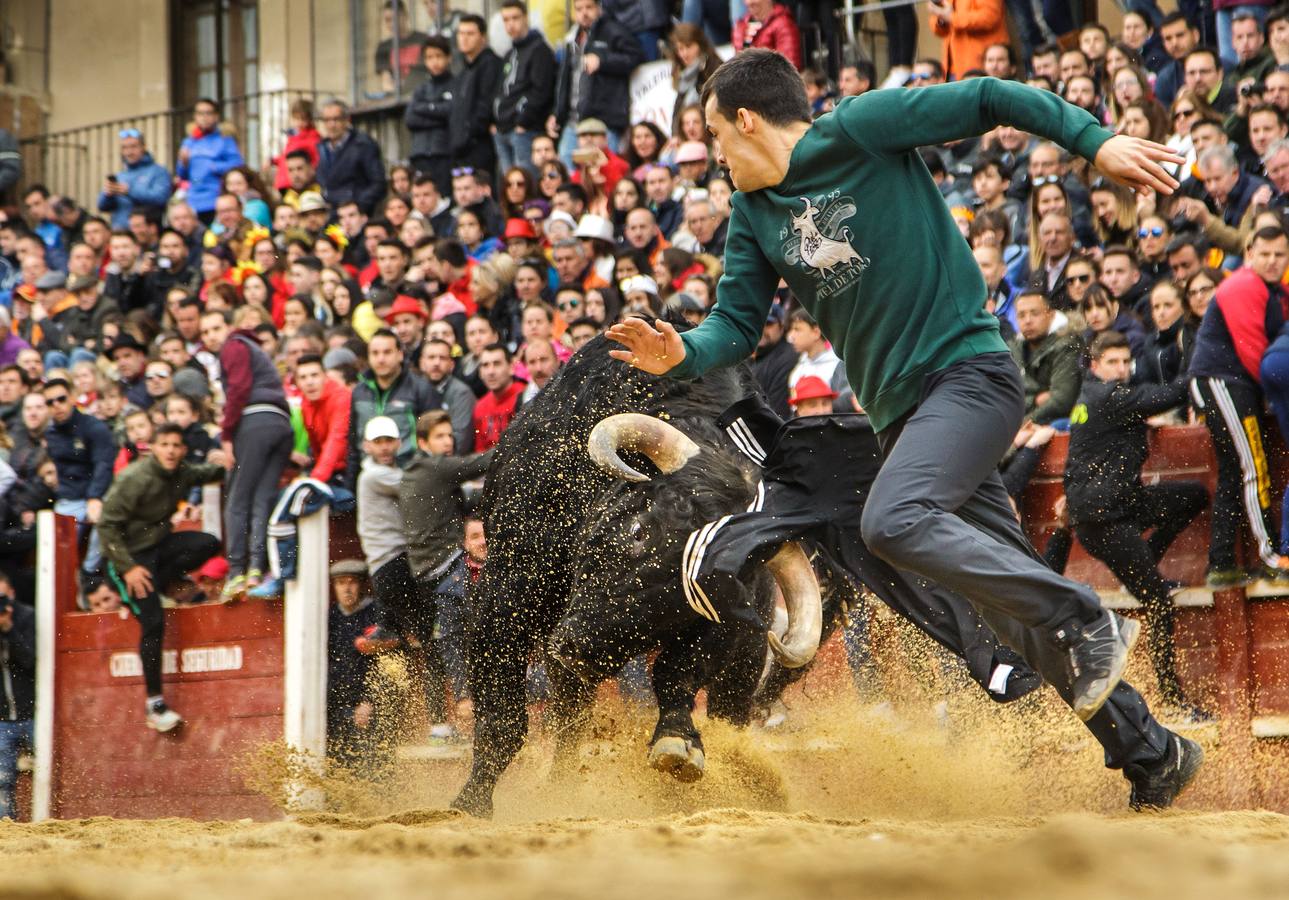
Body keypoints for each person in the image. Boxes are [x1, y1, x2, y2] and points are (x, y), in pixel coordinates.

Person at [607, 51, 1203, 808]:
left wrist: (1093, 142)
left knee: (891, 521)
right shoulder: (752, 216)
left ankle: (1083, 613)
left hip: (970, 380)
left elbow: (989, 94)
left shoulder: (859, 128)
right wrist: (681, 351)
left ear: (746, 121)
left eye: (714, 136)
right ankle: (1154, 755)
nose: (714, 158)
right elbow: (732, 324)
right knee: (1004, 609)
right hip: (905, 424)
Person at [1065, 331, 1209, 713]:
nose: (1121, 369)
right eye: (1111, 362)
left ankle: (1148, 555)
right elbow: (1172, 394)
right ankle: (1173, 700)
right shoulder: (1109, 397)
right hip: (1106, 521)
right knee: (1158, 603)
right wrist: (1200, 356)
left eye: (1125, 362)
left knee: (1193, 495)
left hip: (1116, 506)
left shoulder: (1091, 399)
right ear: (1095, 366)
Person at [100, 424, 225, 732]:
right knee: (154, 622)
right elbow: (106, 526)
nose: (170, 450)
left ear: (183, 450)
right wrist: (127, 567)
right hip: (126, 560)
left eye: (176, 445)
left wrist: (225, 460)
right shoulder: (134, 478)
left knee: (208, 543)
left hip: (157, 551)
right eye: (164, 444)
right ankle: (155, 703)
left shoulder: (181, 471)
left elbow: (210, 473)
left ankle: (165, 582)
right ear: (152, 447)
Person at [1189, 225, 1289, 585]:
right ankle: (1271, 557)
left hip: (1229, 383)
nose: (1272, 261)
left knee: (1235, 470)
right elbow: (1253, 355)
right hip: (1224, 381)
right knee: (1253, 467)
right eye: (1265, 254)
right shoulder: (1244, 285)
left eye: (1279, 254)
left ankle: (1221, 564)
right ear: (1249, 253)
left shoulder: (1271, 288)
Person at [400, 411, 495, 733]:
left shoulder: (416, 472)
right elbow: (482, 463)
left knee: (440, 647)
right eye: (439, 437)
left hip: (425, 572)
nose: (448, 442)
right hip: (448, 566)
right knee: (463, 636)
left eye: (449, 436)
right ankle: (468, 698)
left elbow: (465, 498)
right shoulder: (434, 466)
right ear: (423, 443)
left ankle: (445, 720)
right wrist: (521, 443)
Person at [201, 309, 294, 597]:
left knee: (237, 499)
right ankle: (256, 568)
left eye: (216, 327)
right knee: (261, 498)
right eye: (205, 332)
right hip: (281, 423)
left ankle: (236, 572)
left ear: (228, 326)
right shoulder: (252, 347)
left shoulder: (234, 345)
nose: (211, 335)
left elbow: (239, 388)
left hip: (255, 421)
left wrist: (227, 435)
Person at [345, 329, 443, 487]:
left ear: (400, 354)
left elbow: (435, 439)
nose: (381, 359)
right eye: (375, 353)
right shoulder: (359, 392)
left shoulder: (420, 389)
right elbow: (353, 442)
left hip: (409, 476)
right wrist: (350, 486)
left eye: (387, 352)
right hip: (368, 476)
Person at [551, 0, 643, 159]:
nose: (584, 13)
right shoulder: (572, 37)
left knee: (607, 168)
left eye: (589, 7)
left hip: (604, 121)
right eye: (579, 9)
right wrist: (557, 113)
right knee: (567, 167)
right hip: (574, 120)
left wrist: (603, 61)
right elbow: (564, 81)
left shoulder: (613, 30)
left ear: (599, 8)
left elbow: (636, 57)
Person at [42, 378, 114, 574]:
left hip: (98, 492)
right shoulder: (50, 433)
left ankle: (89, 572)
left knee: (105, 519)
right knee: (57, 541)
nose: (57, 405)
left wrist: (94, 496)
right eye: (50, 402)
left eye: (61, 399)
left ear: (72, 398)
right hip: (68, 497)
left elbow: (104, 464)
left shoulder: (94, 427)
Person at [325, 558, 386, 772]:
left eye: (352, 582)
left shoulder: (376, 613)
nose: (347, 588)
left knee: (372, 764)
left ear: (362, 585)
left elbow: (384, 665)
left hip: (366, 705)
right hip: (335, 705)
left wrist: (370, 700)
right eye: (341, 583)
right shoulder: (330, 617)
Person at [495, 0, 557, 175]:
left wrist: (523, 121)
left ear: (526, 18)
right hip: (503, 128)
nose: (510, 24)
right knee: (511, 185)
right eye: (506, 20)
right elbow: (502, 89)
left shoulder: (539, 49)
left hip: (524, 129)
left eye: (515, 18)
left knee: (526, 182)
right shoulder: (510, 53)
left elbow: (542, 90)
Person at [450, 14, 503, 178]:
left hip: (479, 144)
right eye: (461, 33)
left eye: (470, 34)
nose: (464, 38)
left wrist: (469, 135)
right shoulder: (463, 71)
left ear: (483, 37)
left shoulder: (490, 63)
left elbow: (485, 104)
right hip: (461, 147)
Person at [176, 99, 244, 223]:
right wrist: (183, 163)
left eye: (208, 113)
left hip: (215, 199)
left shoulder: (225, 139)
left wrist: (214, 166)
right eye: (200, 113)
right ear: (195, 117)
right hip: (193, 201)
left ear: (216, 116)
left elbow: (238, 165)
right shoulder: (189, 141)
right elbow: (182, 175)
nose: (204, 117)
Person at [317, 99, 387, 215]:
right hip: (331, 215)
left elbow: (378, 184)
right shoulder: (321, 147)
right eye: (327, 120)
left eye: (336, 119)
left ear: (347, 120)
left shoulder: (363, 145)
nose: (331, 125)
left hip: (356, 215)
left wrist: (357, 205)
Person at [0, 582, 34, 820]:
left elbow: (31, 661)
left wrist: (10, 630)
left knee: (50, 772)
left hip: (33, 714)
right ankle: (7, 827)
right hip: (2, 719)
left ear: (12, 593)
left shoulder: (27, 617)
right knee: (2, 781)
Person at [97, 129, 172, 230]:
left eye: (133, 146)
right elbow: (102, 206)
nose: (129, 152)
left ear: (143, 147)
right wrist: (107, 194)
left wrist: (129, 191)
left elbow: (160, 199)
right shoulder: (120, 176)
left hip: (146, 233)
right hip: (121, 233)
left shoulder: (158, 171)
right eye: (124, 148)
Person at [927, 0, 1008, 80]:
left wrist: (951, 17)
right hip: (952, 68)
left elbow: (988, 18)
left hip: (981, 66)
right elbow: (938, 30)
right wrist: (942, 18)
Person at [472, 342, 524, 450]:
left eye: (497, 364)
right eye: (485, 365)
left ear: (511, 367)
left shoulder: (525, 396)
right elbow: (480, 452)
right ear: (480, 372)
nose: (491, 371)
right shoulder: (479, 407)